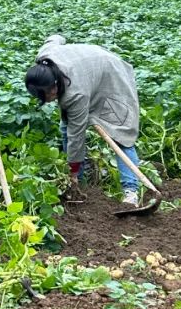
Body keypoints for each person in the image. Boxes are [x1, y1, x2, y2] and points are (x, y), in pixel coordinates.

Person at [24, 35, 141, 206]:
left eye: (46, 96)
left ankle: (131, 192)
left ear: (55, 87)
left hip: (111, 75)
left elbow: (76, 136)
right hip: (89, 69)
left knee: (121, 134)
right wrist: (58, 36)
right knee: (65, 128)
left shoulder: (74, 94)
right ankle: (77, 183)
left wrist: (73, 168)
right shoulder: (45, 57)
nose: (47, 100)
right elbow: (54, 40)